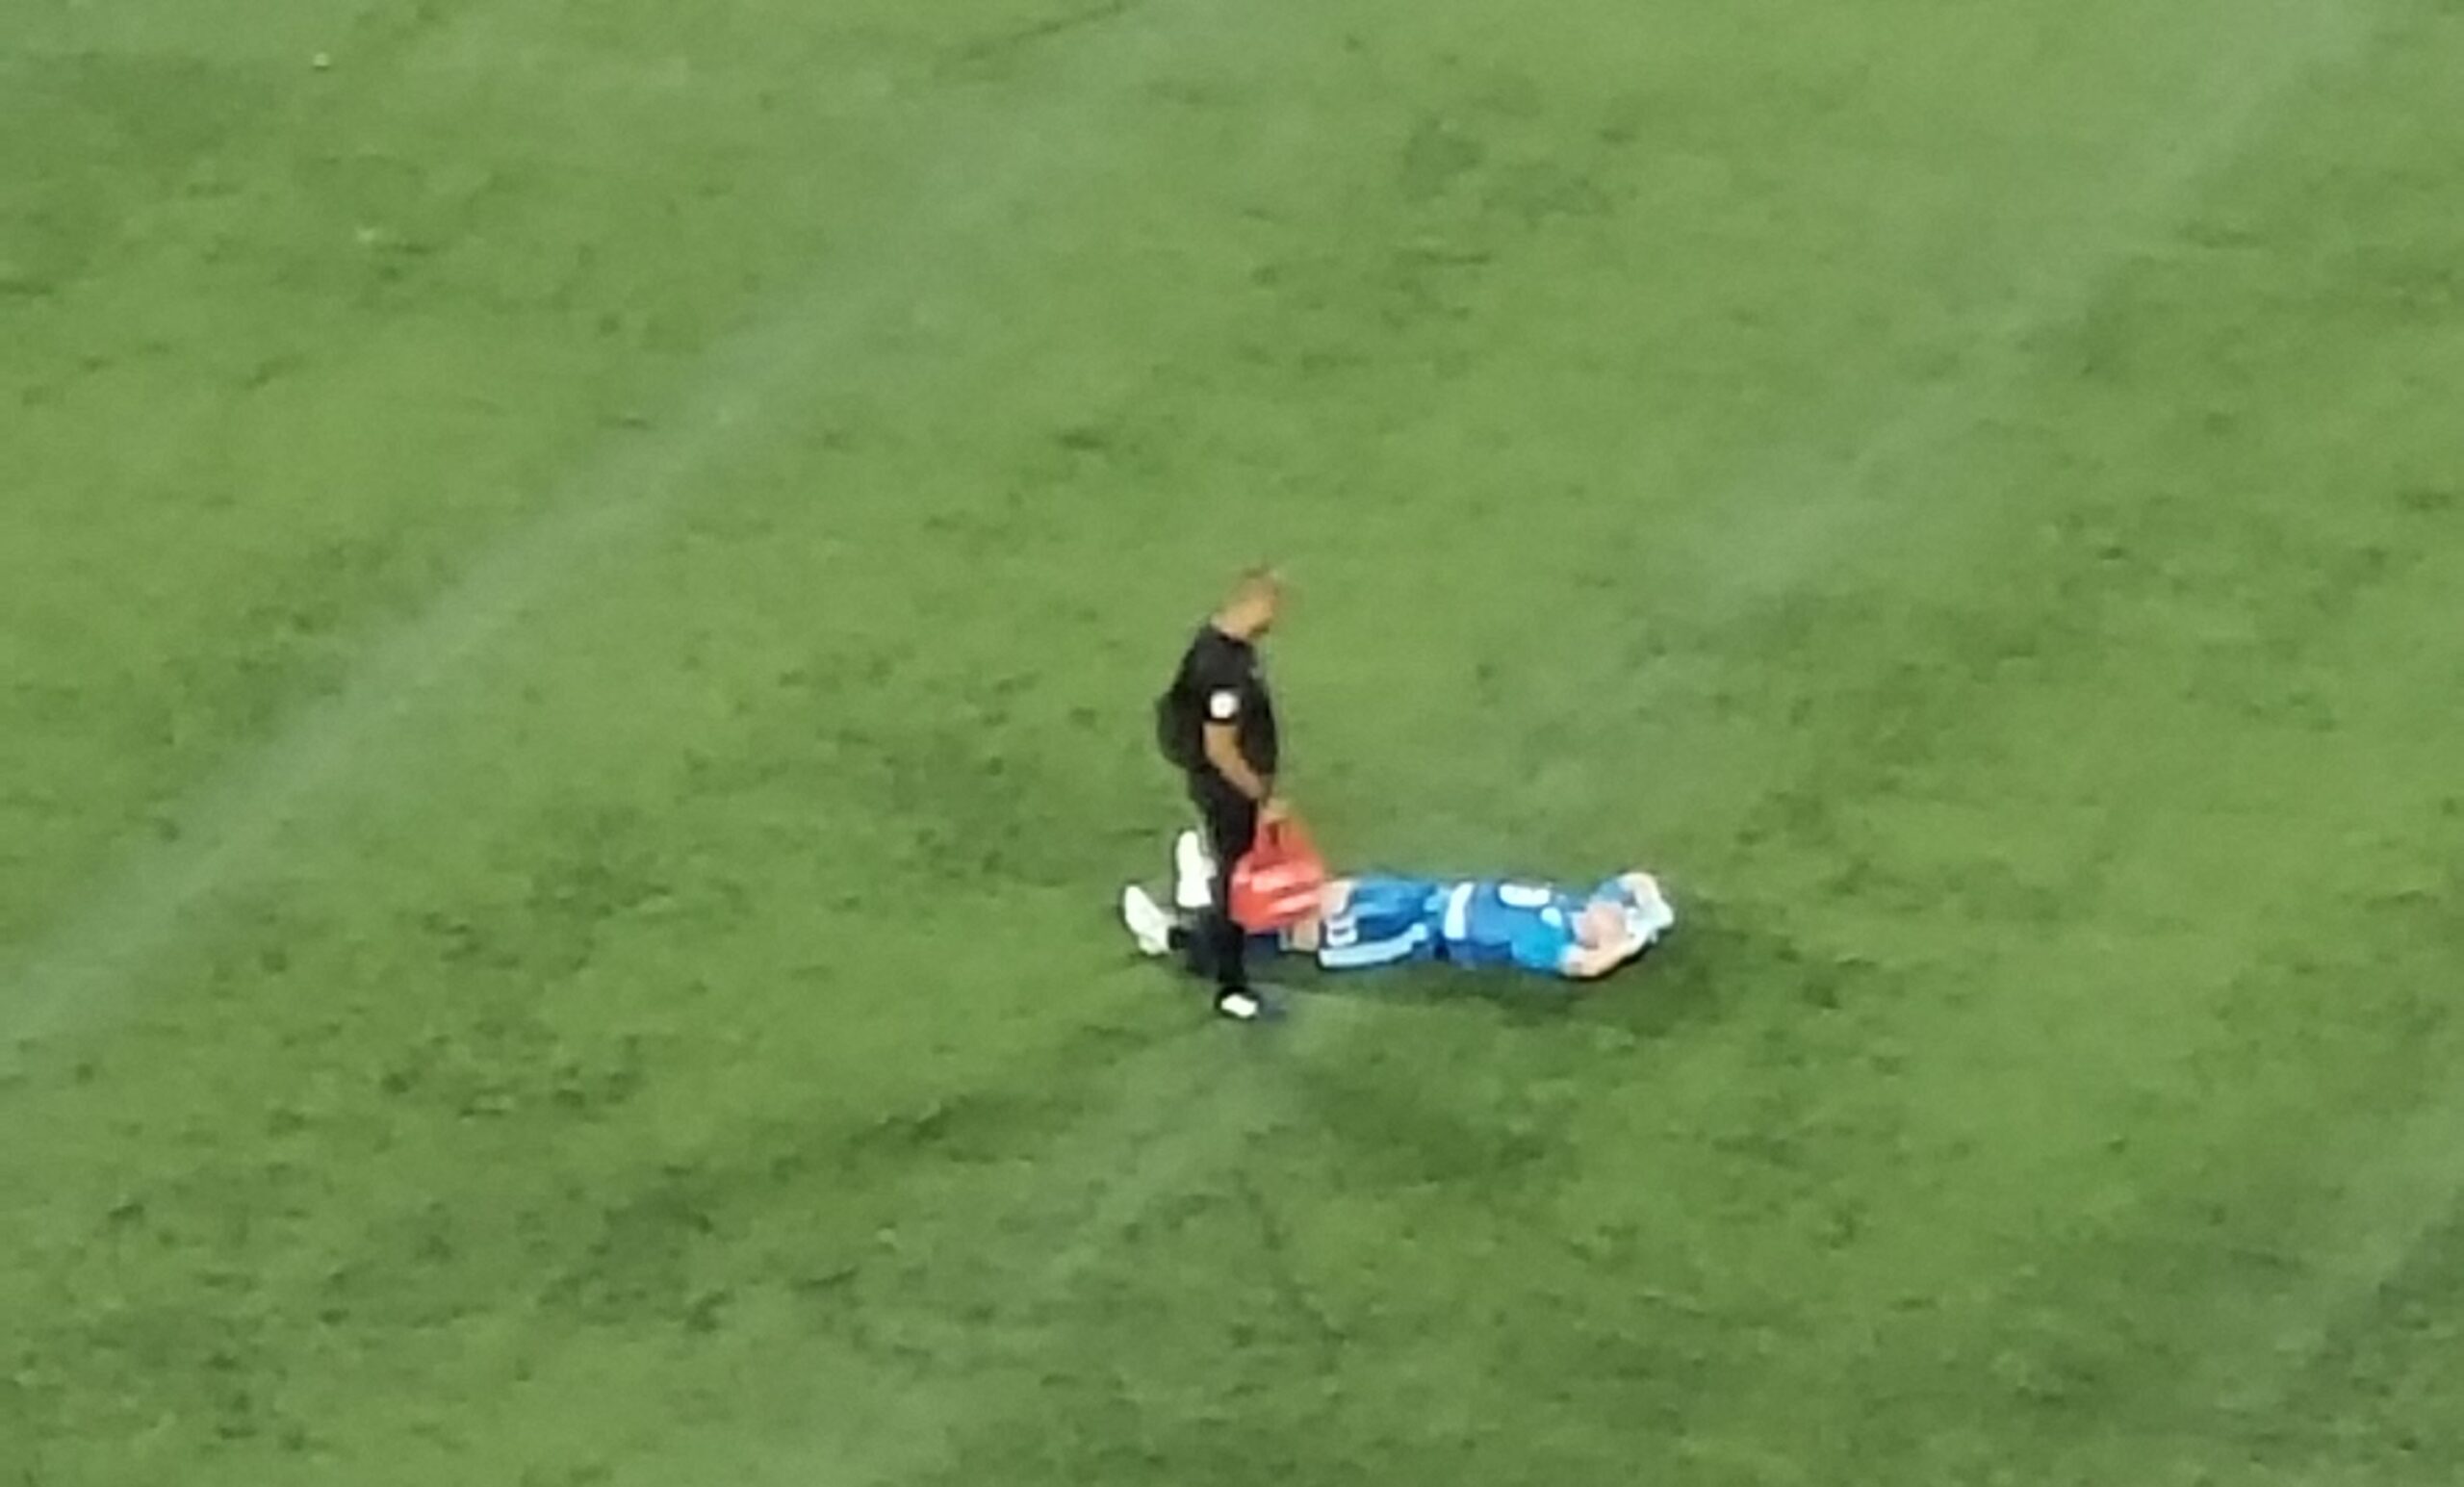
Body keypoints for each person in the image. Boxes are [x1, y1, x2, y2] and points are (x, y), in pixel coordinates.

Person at [1122, 830, 1675, 983]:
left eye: (1617, 918)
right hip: (1422, 895)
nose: (1613, 908)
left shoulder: (1551, 940)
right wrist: (1646, 917)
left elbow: (1587, 967)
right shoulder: (1577, 905)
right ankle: (1212, 895)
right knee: (1321, 893)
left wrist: (1631, 943)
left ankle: (1181, 932)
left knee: (1304, 928)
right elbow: (1636, 879)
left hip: (1415, 930)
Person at [1151, 570, 1288, 1021]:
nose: (1276, 615)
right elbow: (1221, 748)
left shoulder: (1222, 644)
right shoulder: (1222, 670)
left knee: (1238, 875)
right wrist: (1260, 796)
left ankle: (1197, 893)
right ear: (1252, 602)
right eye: (1272, 604)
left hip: (1226, 785)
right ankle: (1229, 985)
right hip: (1228, 790)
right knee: (1236, 884)